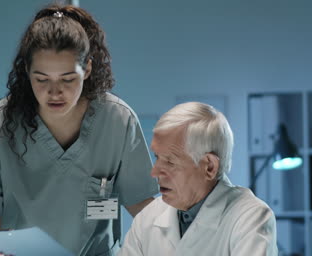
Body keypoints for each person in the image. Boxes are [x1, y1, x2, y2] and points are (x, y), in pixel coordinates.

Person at [0, 2, 158, 256]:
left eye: (68, 79)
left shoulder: (117, 120)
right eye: (42, 79)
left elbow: (144, 207)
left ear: (88, 69)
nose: (54, 92)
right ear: (27, 71)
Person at [118, 102, 278, 256]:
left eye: (170, 161)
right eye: (157, 157)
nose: (155, 172)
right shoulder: (148, 218)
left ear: (209, 167)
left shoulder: (250, 218)